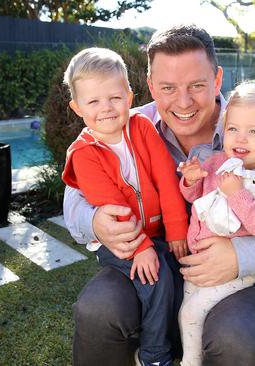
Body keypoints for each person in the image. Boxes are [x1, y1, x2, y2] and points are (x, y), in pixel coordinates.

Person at [64, 24, 255, 366]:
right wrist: (95, 221)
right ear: (149, 87)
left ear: (218, 79)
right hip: (149, 258)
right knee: (97, 309)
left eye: (197, 86)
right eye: (168, 88)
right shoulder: (126, 125)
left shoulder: (252, 130)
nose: (184, 102)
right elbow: (74, 197)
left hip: (226, 272)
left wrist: (242, 255)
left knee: (238, 340)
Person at [60, 47, 189, 366]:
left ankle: (181, 345)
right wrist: (142, 247)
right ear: (77, 107)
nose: (106, 108)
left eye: (114, 97)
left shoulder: (142, 128)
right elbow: (114, 208)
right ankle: (155, 356)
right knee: (156, 280)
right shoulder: (84, 154)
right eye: (93, 102)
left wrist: (176, 231)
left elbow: (166, 181)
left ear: (129, 96)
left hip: (158, 232)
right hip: (120, 242)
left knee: (179, 272)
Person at [177, 83, 255, 366]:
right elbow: (195, 199)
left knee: (190, 314)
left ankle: (190, 362)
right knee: (187, 311)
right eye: (233, 129)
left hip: (237, 271)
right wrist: (191, 180)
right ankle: (197, 355)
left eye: (253, 131)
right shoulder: (217, 162)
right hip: (199, 261)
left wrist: (236, 193)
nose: (241, 138)